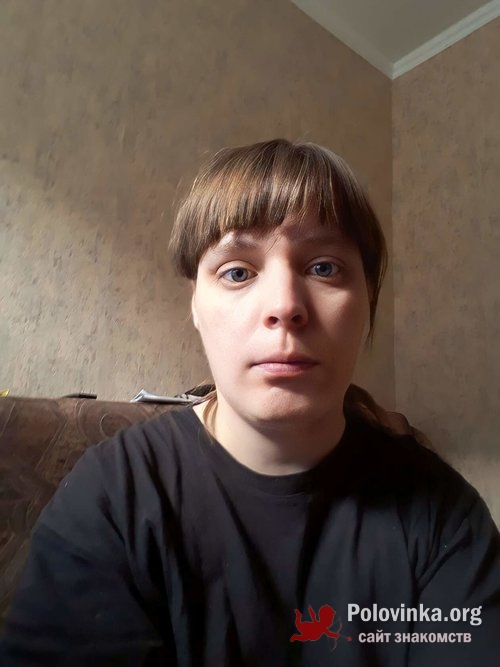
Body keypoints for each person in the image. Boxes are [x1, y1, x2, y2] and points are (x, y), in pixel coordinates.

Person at [1, 138, 499, 666]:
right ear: (196, 305)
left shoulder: (446, 517)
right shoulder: (110, 499)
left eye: (324, 268)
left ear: (368, 301)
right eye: (237, 272)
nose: (284, 306)